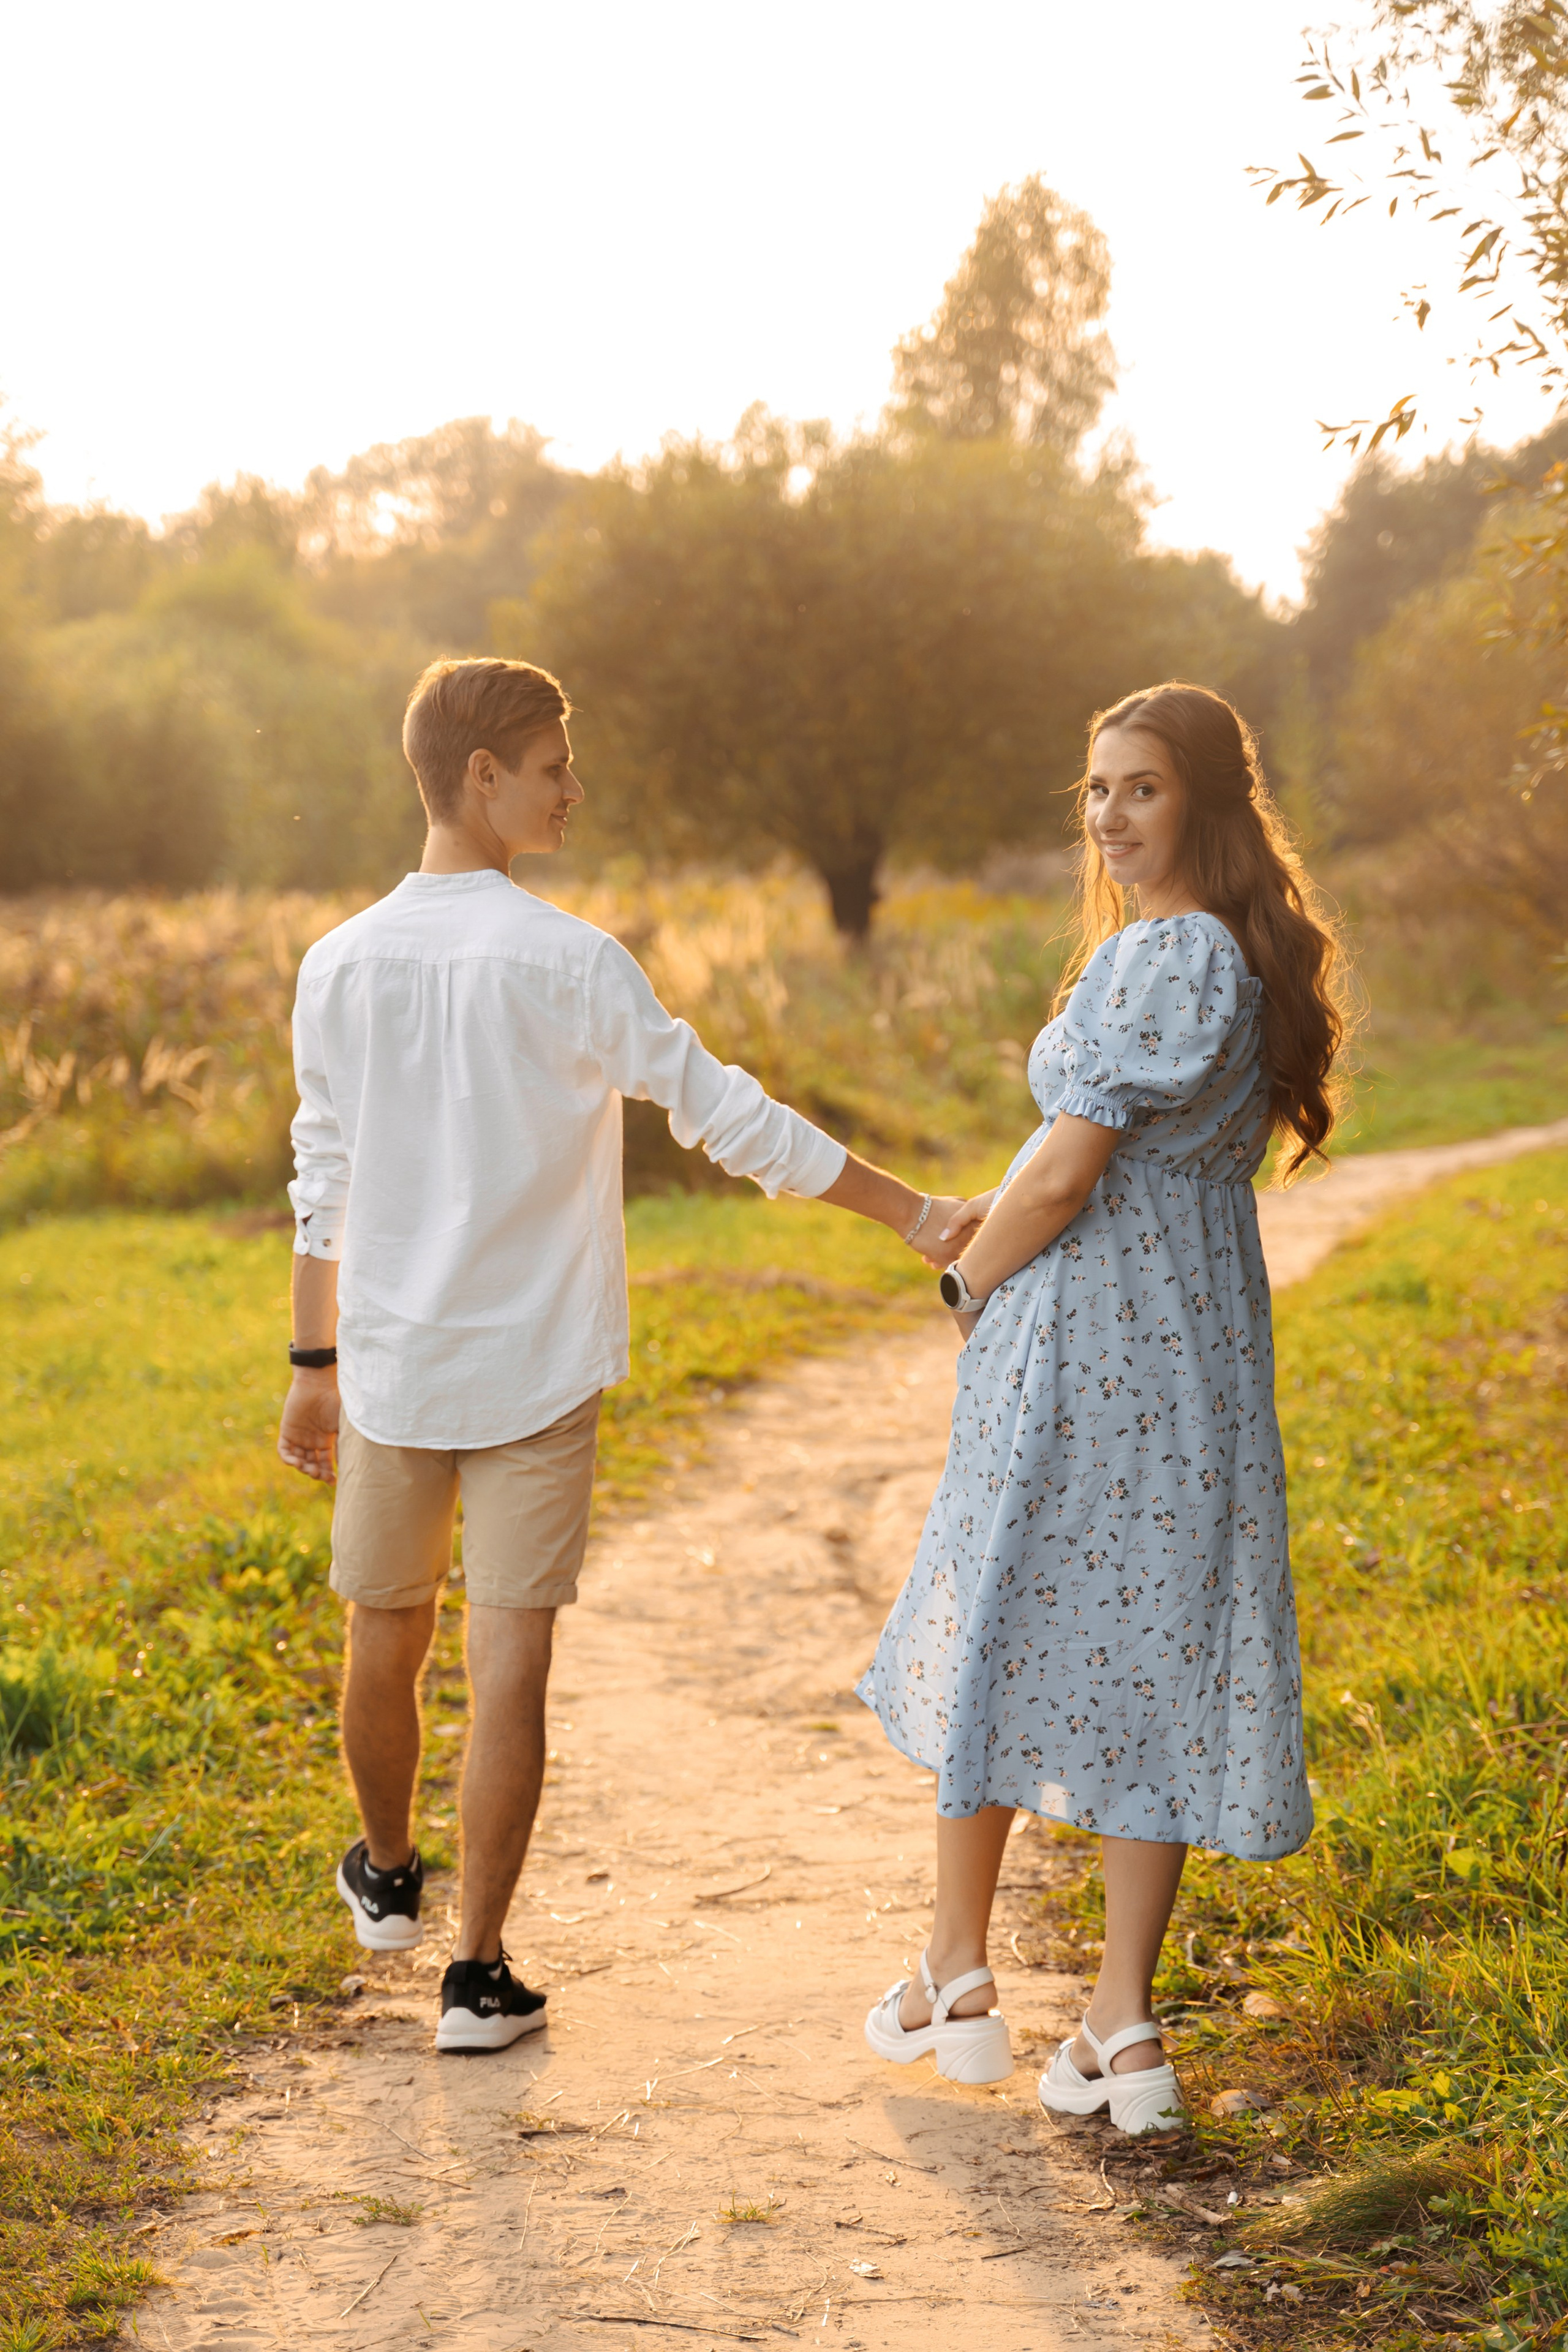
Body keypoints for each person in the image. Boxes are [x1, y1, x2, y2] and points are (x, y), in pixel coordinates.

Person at [277, 655, 960, 2053]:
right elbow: (727, 1114)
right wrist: (911, 1214)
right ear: (480, 776)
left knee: (383, 1631)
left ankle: (389, 1876)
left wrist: (310, 1361)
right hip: (533, 1365)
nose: (570, 790)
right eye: (550, 766)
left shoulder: (336, 962)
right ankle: (476, 1975)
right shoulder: (571, 962)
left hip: (394, 1360)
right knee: (508, 1656)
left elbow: (321, 1173)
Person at [856, 682, 1344, 2133]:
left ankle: (956, 1969)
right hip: (1194, 1345)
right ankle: (1120, 2028)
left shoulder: (1154, 959)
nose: (1109, 817)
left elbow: (1069, 1181)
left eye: (1138, 787)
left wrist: (966, 1286)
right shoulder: (1240, 960)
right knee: (1157, 1638)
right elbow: (1088, 1164)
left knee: (1006, 1604)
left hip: (1086, 1340)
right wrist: (975, 1213)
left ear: (1202, 798)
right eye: (1092, 790)